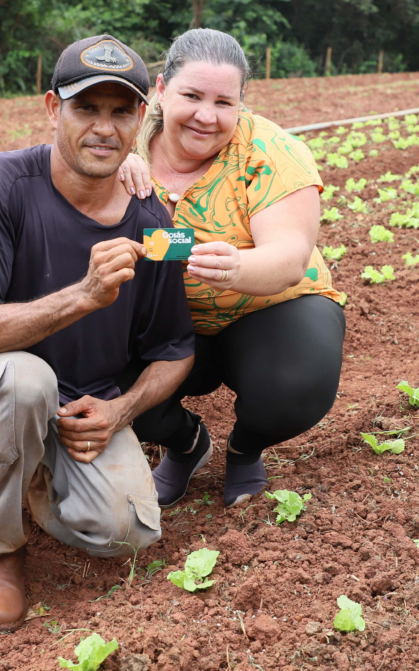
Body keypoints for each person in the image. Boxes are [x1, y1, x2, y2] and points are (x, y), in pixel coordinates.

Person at [0, 34, 195, 632]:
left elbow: (176, 349)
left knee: (130, 530)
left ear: (141, 119)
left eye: (120, 111)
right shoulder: (0, 182)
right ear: (52, 109)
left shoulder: (155, 224)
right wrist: (84, 296)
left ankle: (30, 462)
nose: (104, 127)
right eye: (85, 108)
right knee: (24, 384)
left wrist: (122, 410)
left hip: (79, 398)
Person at [117, 28, 346, 509]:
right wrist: (110, 176)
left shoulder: (271, 152)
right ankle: (184, 444)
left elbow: (288, 258)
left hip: (266, 307)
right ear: (161, 89)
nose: (206, 115)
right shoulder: (119, 142)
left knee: (294, 385)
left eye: (224, 102)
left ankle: (245, 450)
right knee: (98, 369)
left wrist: (236, 265)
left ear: (242, 103)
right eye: (192, 96)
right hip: (164, 320)